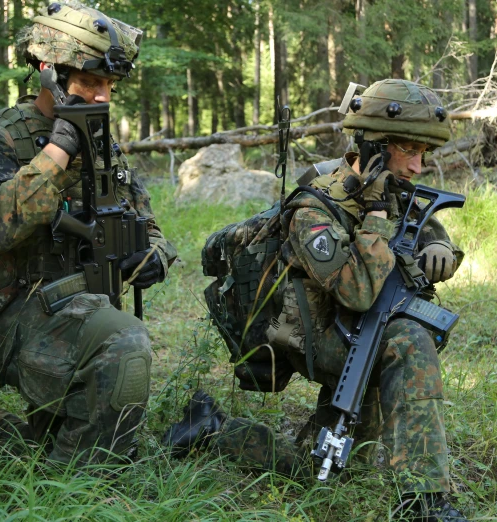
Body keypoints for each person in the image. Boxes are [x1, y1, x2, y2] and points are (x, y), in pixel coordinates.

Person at [165, 79, 468, 520]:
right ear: (376, 149)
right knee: (409, 340)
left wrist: (443, 249)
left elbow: (422, 230)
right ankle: (425, 502)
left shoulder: (395, 191)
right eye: (409, 152)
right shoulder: (314, 209)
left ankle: (214, 429)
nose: (419, 167)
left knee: (331, 470)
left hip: (365, 333)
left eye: (425, 154)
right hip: (324, 339)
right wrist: (377, 217)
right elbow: (358, 292)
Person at [0, 2, 176, 466]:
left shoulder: (106, 146)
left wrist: (152, 257)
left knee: (63, 437)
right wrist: (58, 149)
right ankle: (77, 486)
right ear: (50, 73)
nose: (103, 97)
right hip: (16, 312)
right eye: (90, 82)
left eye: (108, 85)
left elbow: (150, 226)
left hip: (82, 306)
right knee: (125, 348)